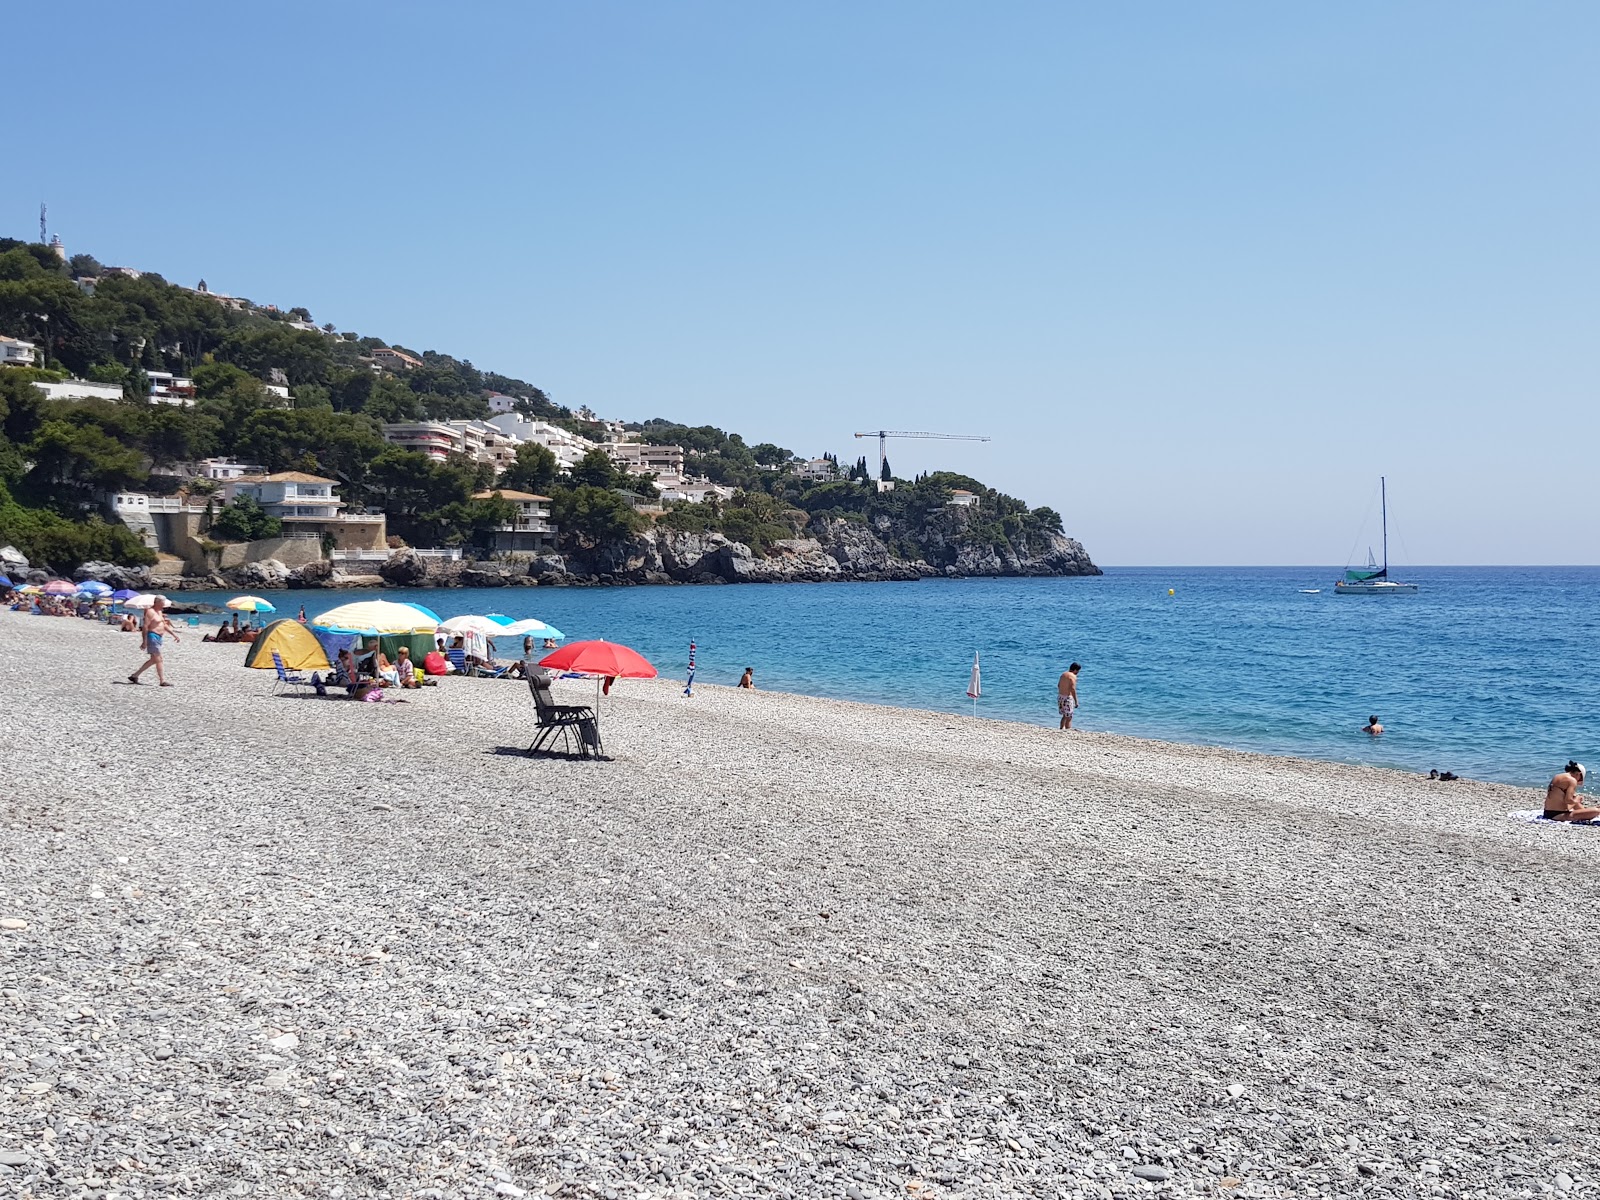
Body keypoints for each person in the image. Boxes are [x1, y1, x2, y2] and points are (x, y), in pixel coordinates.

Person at [129, 597, 179, 686]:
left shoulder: (159, 612)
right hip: (152, 636)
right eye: (162, 603)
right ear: (157, 603)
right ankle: (162, 681)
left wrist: (173, 634)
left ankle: (135, 675)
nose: (163, 605)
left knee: (153, 660)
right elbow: (145, 626)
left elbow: (163, 625)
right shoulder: (150, 612)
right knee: (159, 659)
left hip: (159, 637)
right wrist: (144, 641)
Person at [1057, 662, 1081, 730]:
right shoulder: (1073, 676)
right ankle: (1068, 730)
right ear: (1075, 670)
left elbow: (1058, 685)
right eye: (1078, 671)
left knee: (1064, 715)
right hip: (1067, 698)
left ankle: (1061, 728)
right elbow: (1073, 689)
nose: (1078, 672)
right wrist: (1076, 701)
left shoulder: (1063, 674)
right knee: (1069, 716)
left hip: (1060, 697)